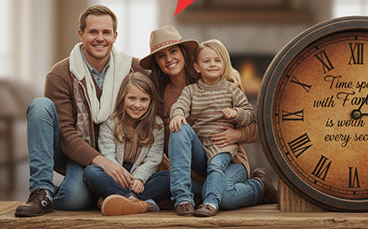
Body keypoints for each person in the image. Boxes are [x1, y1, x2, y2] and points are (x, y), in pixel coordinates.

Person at [15, 4, 142, 216]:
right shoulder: (61, 74)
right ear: (81, 35)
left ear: (115, 36)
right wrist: (103, 163)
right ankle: (42, 191)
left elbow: (169, 80)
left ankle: (96, 193)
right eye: (93, 32)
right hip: (75, 151)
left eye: (106, 32)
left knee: (78, 197)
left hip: (117, 151)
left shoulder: (133, 68)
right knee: (40, 106)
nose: (100, 38)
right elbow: (66, 133)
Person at [168, 39, 257, 217]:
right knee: (179, 128)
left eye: (217, 60)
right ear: (197, 67)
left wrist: (236, 113)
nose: (212, 64)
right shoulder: (191, 91)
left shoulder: (232, 89)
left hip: (225, 150)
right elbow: (180, 105)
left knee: (218, 177)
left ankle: (253, 188)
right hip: (202, 151)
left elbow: (249, 114)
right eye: (207, 61)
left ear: (224, 65)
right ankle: (183, 199)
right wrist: (177, 115)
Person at [82, 70, 170, 215]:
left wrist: (139, 179)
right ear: (123, 98)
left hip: (142, 176)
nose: (137, 105)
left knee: (170, 177)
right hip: (115, 174)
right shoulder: (110, 122)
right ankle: (137, 202)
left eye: (144, 99)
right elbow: (108, 155)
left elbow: (153, 160)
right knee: (91, 172)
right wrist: (122, 178)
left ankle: (116, 199)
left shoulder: (157, 125)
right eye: (132, 98)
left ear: (151, 101)